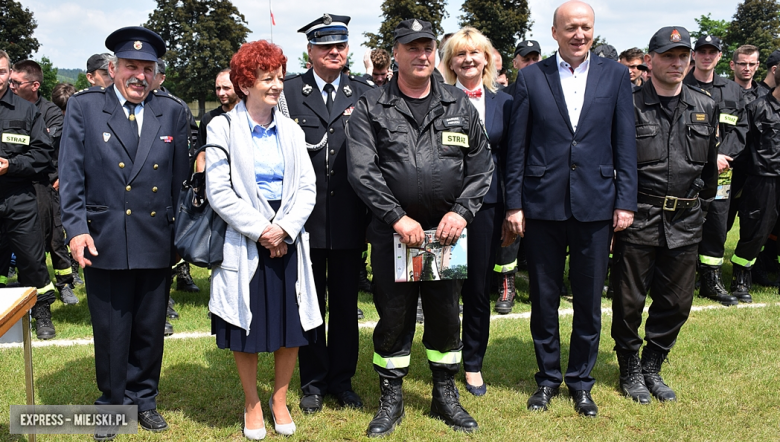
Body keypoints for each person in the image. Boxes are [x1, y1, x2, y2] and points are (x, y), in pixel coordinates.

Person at [347, 18, 493, 436]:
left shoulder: (458, 104)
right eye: (412, 47)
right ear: (395, 53)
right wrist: (397, 216)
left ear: (435, 51)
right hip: (394, 235)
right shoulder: (373, 107)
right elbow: (362, 171)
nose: (422, 55)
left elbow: (481, 166)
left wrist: (462, 212)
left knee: (446, 315)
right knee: (393, 317)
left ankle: (445, 393)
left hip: (446, 236)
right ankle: (391, 397)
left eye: (428, 46)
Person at [504, 1, 637, 417]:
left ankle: (581, 381)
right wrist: (514, 203)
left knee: (588, 302)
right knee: (543, 300)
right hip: (542, 205)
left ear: (592, 31)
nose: (579, 34)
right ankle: (546, 380)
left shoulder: (615, 75)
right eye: (571, 28)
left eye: (586, 27)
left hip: (596, 204)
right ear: (555, 32)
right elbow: (517, 149)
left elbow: (625, 143)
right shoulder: (530, 77)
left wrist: (626, 201)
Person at [59, 26, 190, 439]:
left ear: (156, 73)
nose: (139, 75)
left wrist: (180, 236)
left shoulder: (171, 111)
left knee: (150, 328)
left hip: (156, 236)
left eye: (147, 68)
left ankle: (144, 400)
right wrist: (76, 229)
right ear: (113, 68)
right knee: (112, 328)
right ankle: (112, 405)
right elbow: (71, 173)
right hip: (105, 235)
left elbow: (179, 181)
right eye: (131, 66)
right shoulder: (84, 108)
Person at [205, 39, 320, 440]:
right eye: (267, 78)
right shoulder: (222, 126)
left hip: (288, 236)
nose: (276, 85)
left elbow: (307, 186)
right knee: (247, 329)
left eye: (280, 78)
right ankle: (253, 404)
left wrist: (284, 229)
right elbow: (218, 191)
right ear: (245, 81)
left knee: (292, 325)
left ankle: (280, 400)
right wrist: (262, 230)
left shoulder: (290, 128)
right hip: (245, 237)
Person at [611, 26, 718, 405]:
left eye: (683, 56)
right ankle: (629, 368)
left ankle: (653, 364)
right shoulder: (628, 105)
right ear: (650, 61)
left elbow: (708, 173)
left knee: (676, 302)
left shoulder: (704, 105)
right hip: (639, 214)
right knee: (628, 301)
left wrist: (703, 207)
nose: (677, 62)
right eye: (669, 55)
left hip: (686, 219)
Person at [278, 13, 374, 414]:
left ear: (348, 49)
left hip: (352, 217)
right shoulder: (288, 93)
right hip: (306, 220)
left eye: (340, 45)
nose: (334, 52)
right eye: (325, 46)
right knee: (309, 304)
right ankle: (313, 382)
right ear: (310, 51)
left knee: (347, 303)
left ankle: (342, 380)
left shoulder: (365, 91)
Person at [440, 26, 513, 397]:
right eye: (459, 53)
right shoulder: (438, 99)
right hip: (445, 208)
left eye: (475, 53)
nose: (468, 59)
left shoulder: (506, 102)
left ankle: (472, 364)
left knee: (478, 289)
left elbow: (514, 159)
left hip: (487, 207)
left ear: (487, 58)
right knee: (444, 289)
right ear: (450, 62)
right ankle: (444, 361)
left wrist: (512, 208)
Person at [683, 35, 748, 306]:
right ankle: (683, 280)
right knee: (683, 223)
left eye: (713, 52)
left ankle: (711, 281)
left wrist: (722, 156)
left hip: (721, 172)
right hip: (688, 169)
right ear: (694, 55)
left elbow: (742, 129)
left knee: (717, 224)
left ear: (720, 57)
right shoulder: (681, 86)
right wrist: (709, 156)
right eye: (702, 51)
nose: (707, 56)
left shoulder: (734, 92)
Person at [8, 60, 78, 305]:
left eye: (16, 82)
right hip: (16, 186)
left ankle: (64, 285)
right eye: (10, 81)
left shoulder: (47, 111)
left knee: (54, 238)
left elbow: (50, 147)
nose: (11, 86)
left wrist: (59, 176)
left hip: (46, 183)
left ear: (35, 85)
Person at [0, 49, 57, 339]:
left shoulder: (26, 111)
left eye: (0, 72)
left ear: (9, 73)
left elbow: (43, 154)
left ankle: (42, 312)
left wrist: (11, 165)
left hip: (19, 196)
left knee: (33, 261)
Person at [728, 64, 780, 303]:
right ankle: (741, 278)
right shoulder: (757, 108)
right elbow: (740, 147)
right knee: (755, 231)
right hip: (763, 181)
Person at [197, 68, 239, 149]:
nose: (221, 93)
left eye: (226, 88)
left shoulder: (250, 116)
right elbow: (201, 155)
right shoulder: (208, 118)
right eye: (218, 88)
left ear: (238, 87)